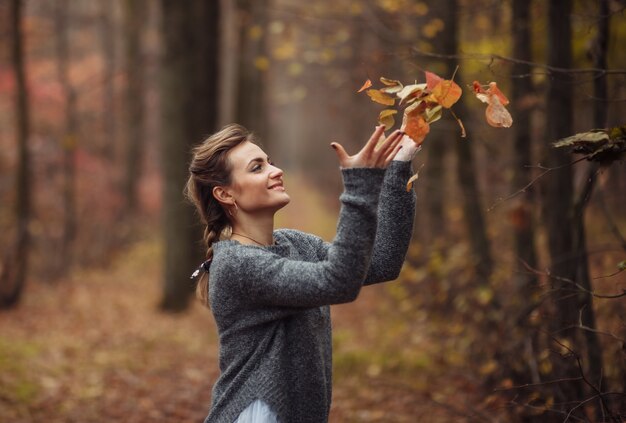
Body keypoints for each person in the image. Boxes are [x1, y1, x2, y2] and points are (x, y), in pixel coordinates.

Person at [185, 123, 418, 423]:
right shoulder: (235, 264)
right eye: (257, 168)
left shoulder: (295, 243)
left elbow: (382, 262)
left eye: (270, 161)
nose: (275, 170)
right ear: (225, 194)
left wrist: (399, 169)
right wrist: (359, 186)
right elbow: (338, 282)